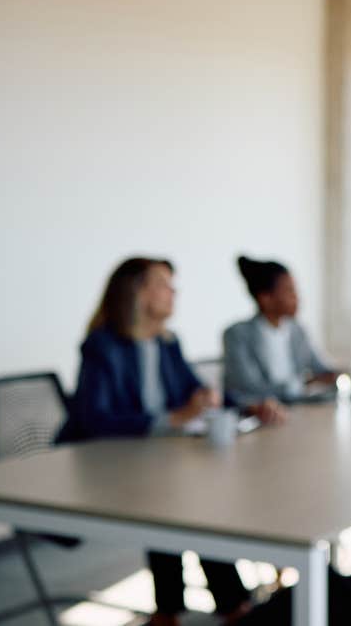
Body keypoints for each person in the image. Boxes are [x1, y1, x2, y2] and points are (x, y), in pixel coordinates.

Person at [55, 257, 250, 626]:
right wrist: (173, 418)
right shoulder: (102, 346)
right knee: (188, 500)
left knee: (185, 492)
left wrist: (236, 402)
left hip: (157, 461)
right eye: (163, 283)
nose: (174, 292)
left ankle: (176, 608)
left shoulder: (166, 343)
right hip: (104, 466)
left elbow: (196, 389)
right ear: (136, 292)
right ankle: (227, 604)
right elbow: (94, 420)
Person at [222, 257, 339, 411]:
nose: (296, 297)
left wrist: (336, 375)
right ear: (266, 298)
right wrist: (303, 384)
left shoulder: (297, 330)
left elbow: (321, 370)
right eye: (289, 291)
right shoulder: (237, 335)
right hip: (260, 417)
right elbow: (249, 388)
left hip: (298, 411)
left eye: (295, 290)